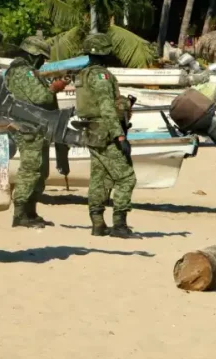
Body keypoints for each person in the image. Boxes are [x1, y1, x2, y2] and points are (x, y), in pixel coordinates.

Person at [75, 34, 137, 237]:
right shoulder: (102, 76)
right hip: (106, 133)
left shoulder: (83, 75)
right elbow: (106, 107)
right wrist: (120, 136)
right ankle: (119, 225)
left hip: (92, 132)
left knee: (100, 178)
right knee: (126, 178)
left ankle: (98, 223)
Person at [4, 36, 66, 228]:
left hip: (35, 127)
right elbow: (41, 98)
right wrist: (54, 88)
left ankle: (30, 213)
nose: (42, 62)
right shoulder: (23, 72)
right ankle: (20, 214)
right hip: (28, 128)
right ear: (33, 54)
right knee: (31, 169)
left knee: (40, 170)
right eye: (41, 58)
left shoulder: (20, 71)